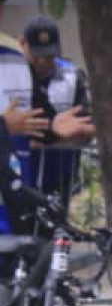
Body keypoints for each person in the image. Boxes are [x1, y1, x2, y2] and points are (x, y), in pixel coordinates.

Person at [18, 16, 94, 199]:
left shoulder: (73, 76)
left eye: (49, 56)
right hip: (17, 176)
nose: (43, 62)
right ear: (22, 44)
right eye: (37, 55)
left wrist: (48, 140)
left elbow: (85, 126)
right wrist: (56, 134)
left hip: (60, 176)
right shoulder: (12, 73)